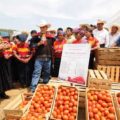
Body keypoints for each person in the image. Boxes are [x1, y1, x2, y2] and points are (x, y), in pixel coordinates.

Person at [30, 21, 54, 92]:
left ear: (47, 28)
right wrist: (38, 43)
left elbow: (53, 47)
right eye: (41, 27)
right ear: (40, 28)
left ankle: (45, 87)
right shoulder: (36, 37)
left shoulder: (51, 37)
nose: (43, 28)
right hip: (39, 58)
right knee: (36, 73)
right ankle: (33, 88)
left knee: (47, 73)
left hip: (48, 58)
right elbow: (31, 46)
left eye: (44, 27)